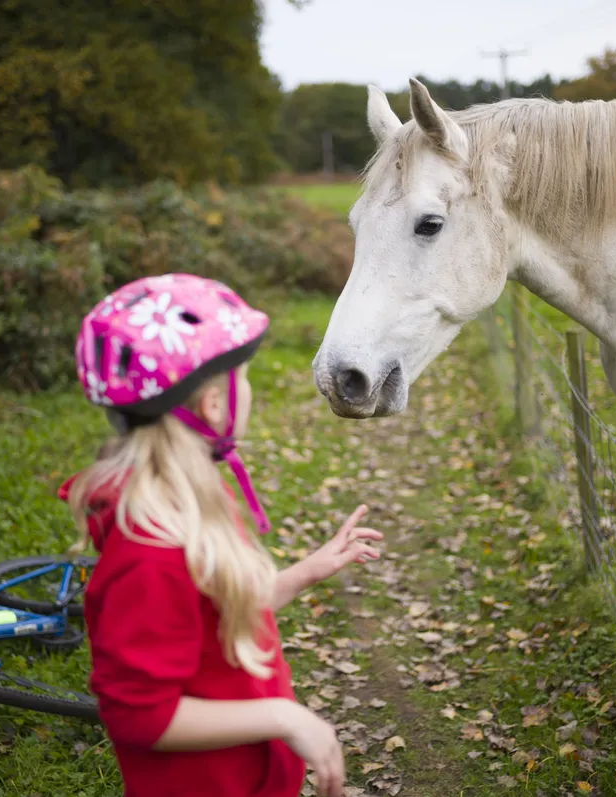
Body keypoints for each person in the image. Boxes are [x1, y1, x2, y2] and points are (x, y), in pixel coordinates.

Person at [57, 273, 383, 797]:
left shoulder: (191, 499)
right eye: (244, 378)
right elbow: (140, 717)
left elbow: (226, 605)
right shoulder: (150, 552)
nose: (248, 391)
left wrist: (309, 570)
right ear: (212, 404)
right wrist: (281, 716)